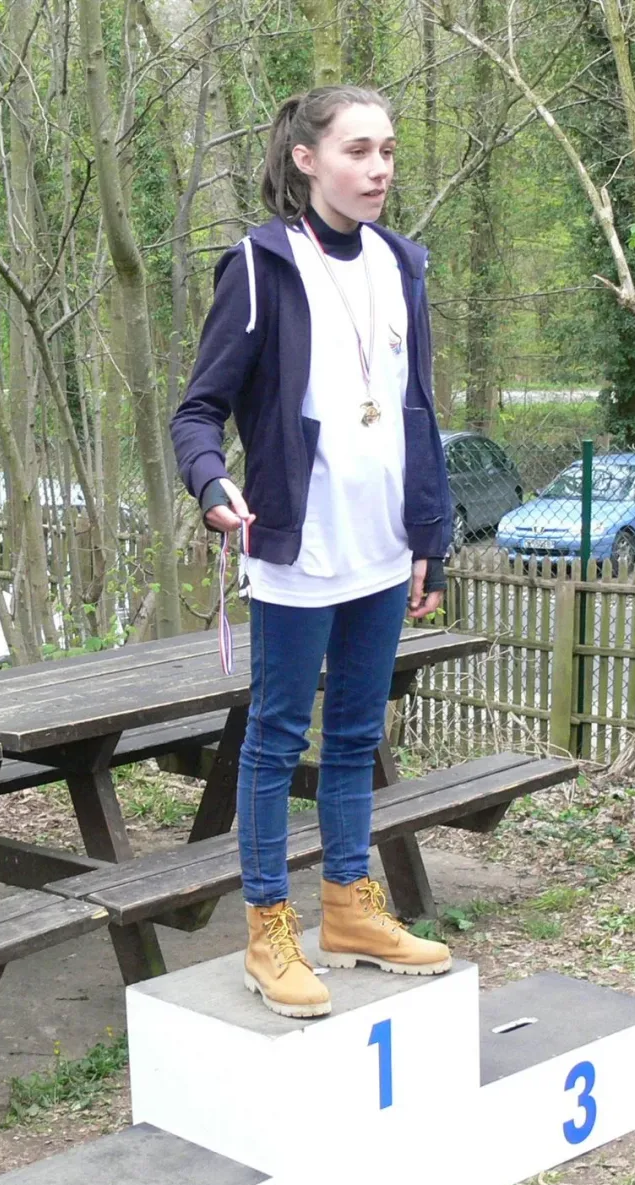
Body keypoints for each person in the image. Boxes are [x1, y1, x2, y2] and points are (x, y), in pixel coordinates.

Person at [169, 84, 454, 1018]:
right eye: (357, 151)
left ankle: (349, 907)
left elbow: (417, 410)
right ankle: (267, 928)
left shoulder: (402, 264)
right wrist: (212, 484)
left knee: (359, 735)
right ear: (307, 159)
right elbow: (198, 411)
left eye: (388, 151)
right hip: (298, 549)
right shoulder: (262, 266)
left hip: (383, 550)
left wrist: (429, 533)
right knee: (277, 738)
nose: (379, 169)